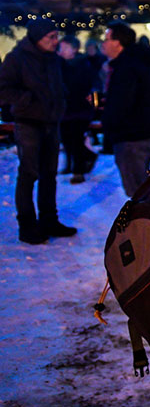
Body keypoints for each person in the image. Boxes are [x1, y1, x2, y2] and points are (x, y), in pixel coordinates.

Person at [0, 19, 77, 244]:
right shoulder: (17, 59)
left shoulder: (53, 59)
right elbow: (2, 89)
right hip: (29, 123)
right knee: (29, 173)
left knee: (49, 175)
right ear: (37, 38)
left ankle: (49, 220)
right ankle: (27, 224)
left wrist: (62, 100)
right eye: (50, 37)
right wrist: (26, 100)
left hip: (51, 122)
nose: (56, 41)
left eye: (56, 36)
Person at [101, 22, 150, 197]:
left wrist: (109, 121)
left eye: (107, 39)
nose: (103, 44)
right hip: (141, 133)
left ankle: (146, 223)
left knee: (139, 193)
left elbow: (123, 103)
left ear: (118, 43)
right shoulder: (134, 64)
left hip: (132, 137)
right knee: (141, 189)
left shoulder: (127, 68)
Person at [57, 36, 98, 183]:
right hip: (64, 109)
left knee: (76, 140)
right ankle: (70, 164)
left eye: (65, 47)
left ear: (74, 49)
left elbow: (80, 86)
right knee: (66, 139)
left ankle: (78, 170)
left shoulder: (82, 64)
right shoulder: (60, 64)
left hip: (78, 109)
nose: (61, 51)